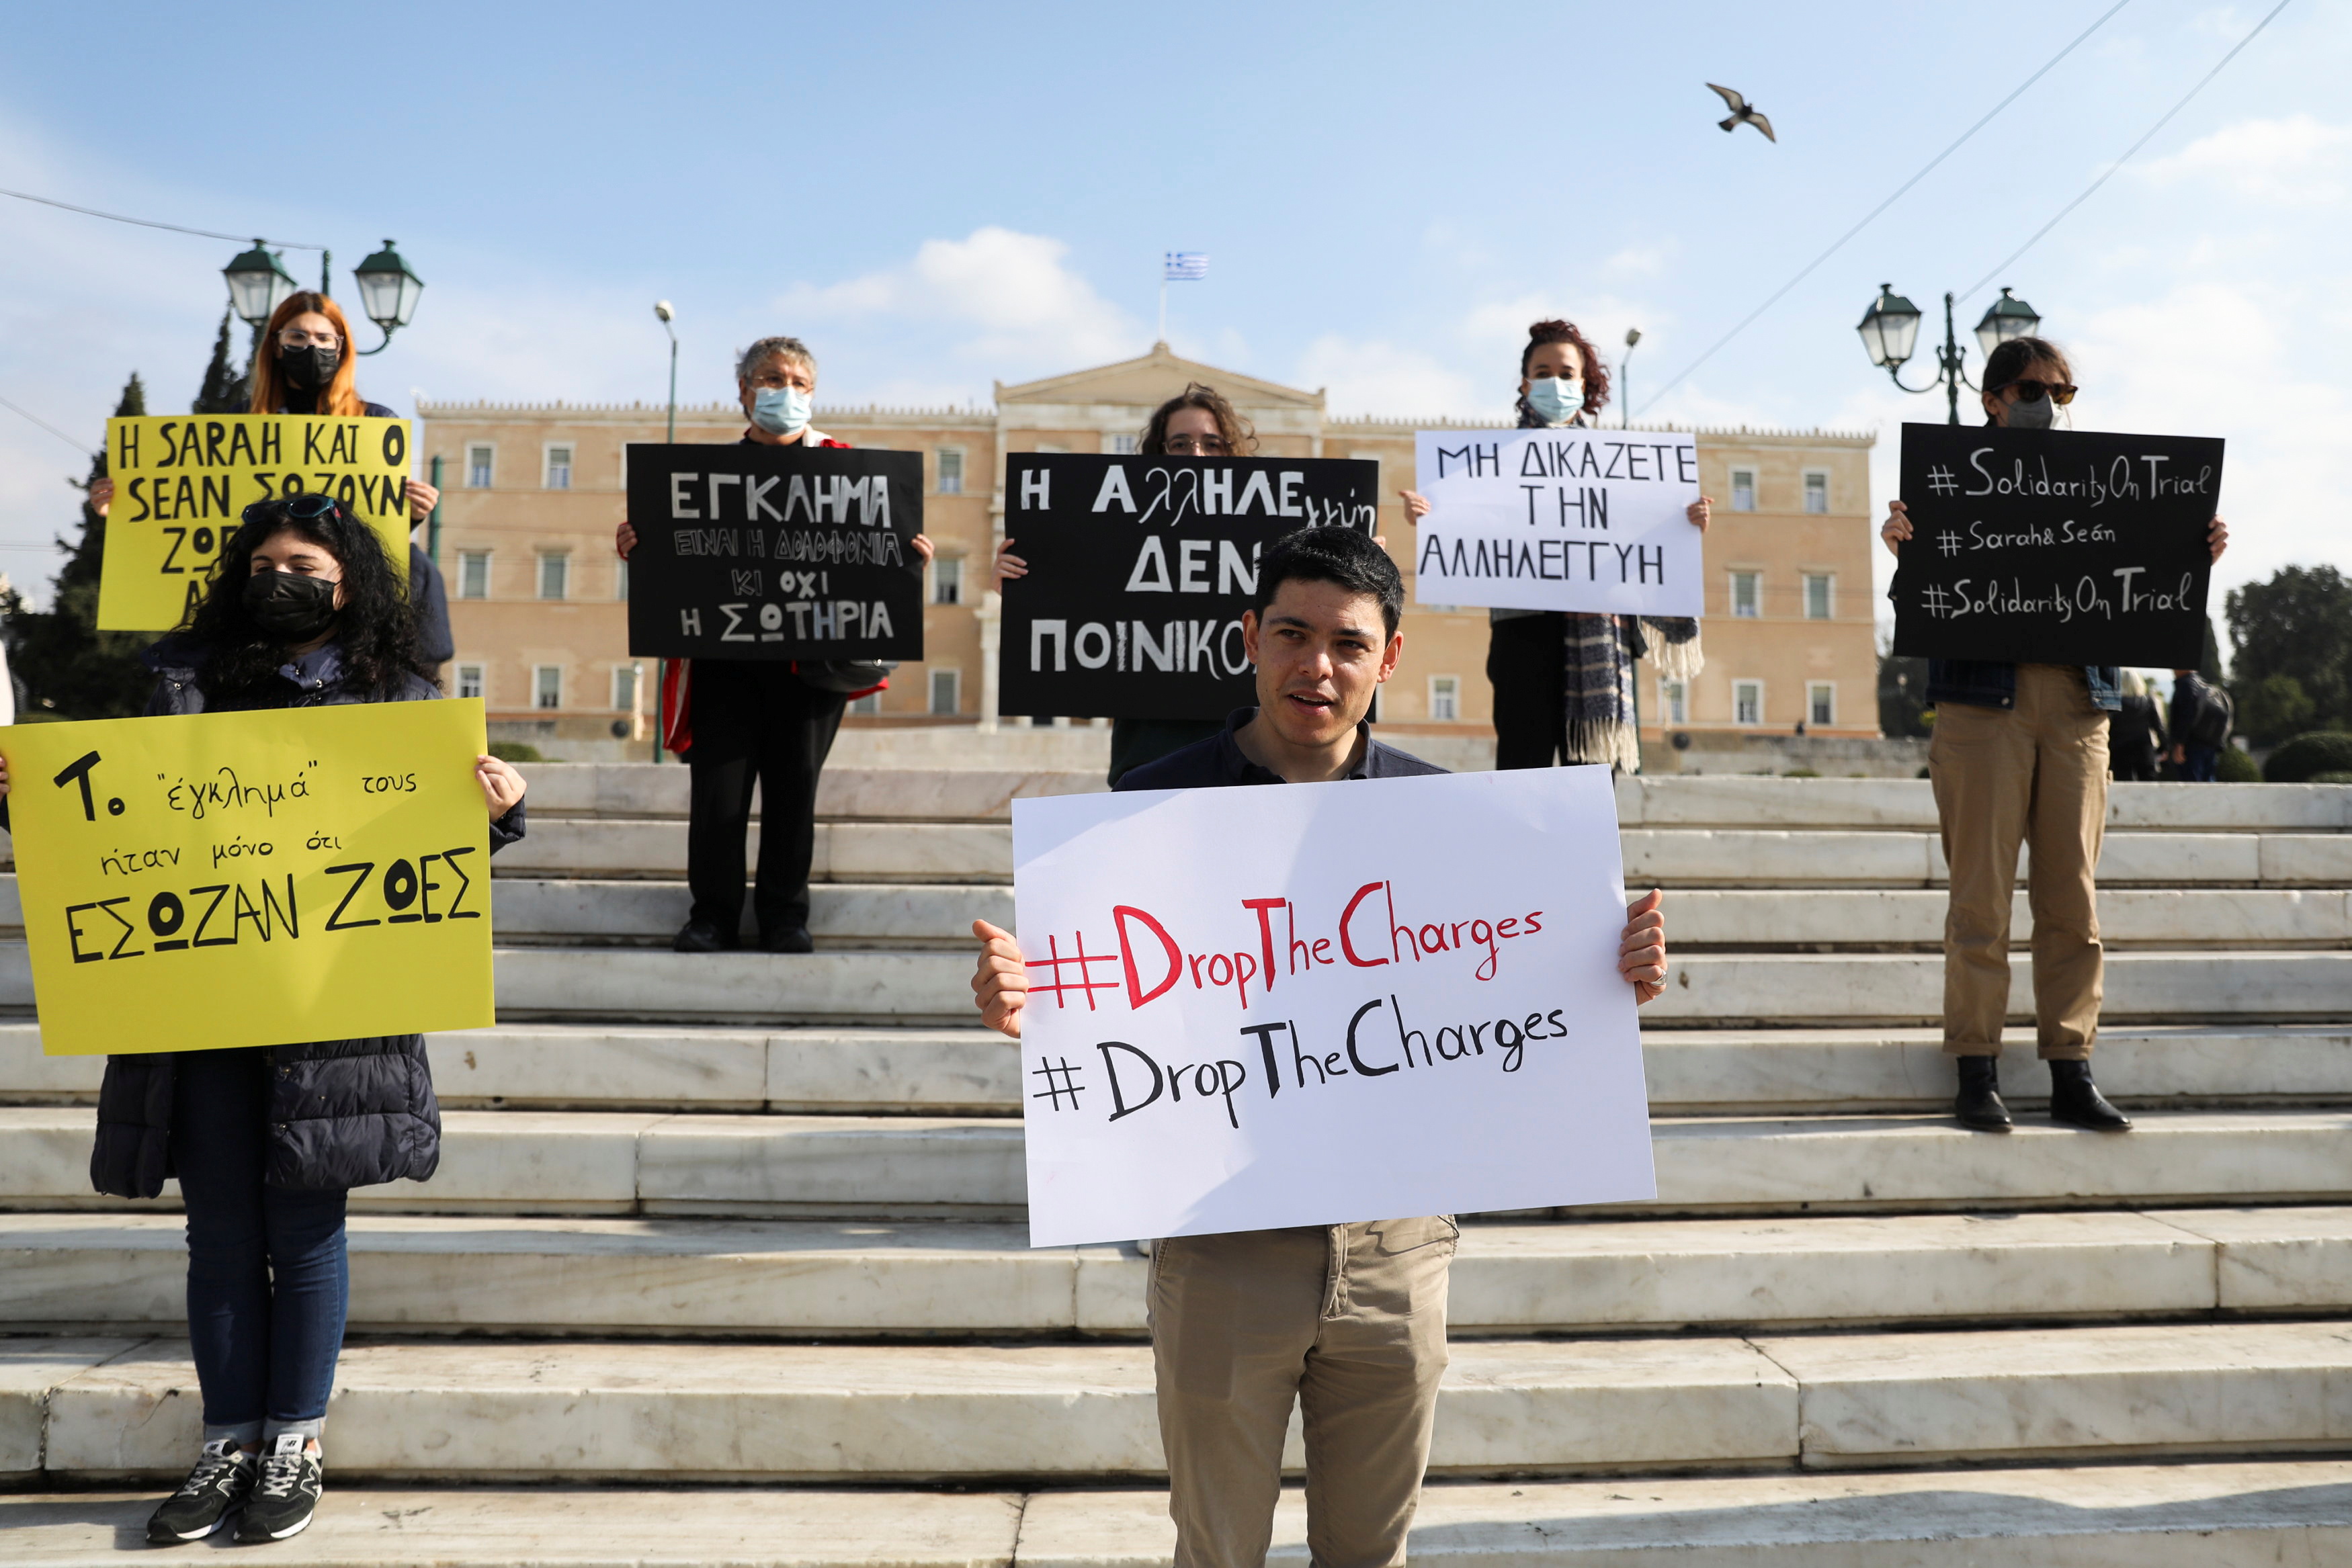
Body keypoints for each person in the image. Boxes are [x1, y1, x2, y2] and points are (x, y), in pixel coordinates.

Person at [968, 525, 1673, 1568]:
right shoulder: (1145, 812)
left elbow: (1515, 995)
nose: (1318, 666)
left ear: (1389, 658)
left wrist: (1613, 967)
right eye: (1292, 634)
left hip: (1395, 1253)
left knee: (1370, 1555)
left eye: (1348, 642)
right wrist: (1024, 997)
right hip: (1221, 1251)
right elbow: (1098, 1000)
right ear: (1248, 636)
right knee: (1217, 1553)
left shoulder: (1450, 819)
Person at [0, 492, 528, 1546]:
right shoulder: (183, 684)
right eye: (264, 562)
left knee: (306, 1226)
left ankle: (296, 1436)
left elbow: (432, 846)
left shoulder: (401, 698)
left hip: (332, 1005)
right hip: (198, 1003)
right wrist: (30, 795)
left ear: (351, 584)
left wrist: (501, 810)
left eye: (307, 564)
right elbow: (112, 822)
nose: (281, 578)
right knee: (220, 1232)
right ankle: (228, 1437)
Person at [1882, 335, 2228, 1133]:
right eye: (2033, 389)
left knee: (2073, 898)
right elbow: (1916, 607)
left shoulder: (2112, 483)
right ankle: (1976, 1068)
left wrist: (2194, 550)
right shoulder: (1941, 482)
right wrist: (1903, 547)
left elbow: (2152, 585)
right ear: (1991, 400)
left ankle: (2070, 1066)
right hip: (1979, 706)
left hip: (2079, 705)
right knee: (1979, 899)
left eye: (2062, 392)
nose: (2048, 402)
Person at [616, 335, 933, 952]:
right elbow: (679, 565)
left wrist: (910, 560)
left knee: (794, 791)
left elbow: (877, 558)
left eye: (798, 382)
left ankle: (786, 915)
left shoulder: (853, 473)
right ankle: (712, 915)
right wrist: (640, 547)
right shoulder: (698, 483)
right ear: (744, 391)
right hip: (725, 661)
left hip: (813, 665)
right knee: (719, 796)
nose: (784, 390)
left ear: (813, 394)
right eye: (771, 378)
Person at [1400, 318, 1711, 771]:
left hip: (1597, 636)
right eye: (1543, 373)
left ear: (1585, 385)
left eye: (1566, 374)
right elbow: (1469, 531)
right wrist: (1433, 516)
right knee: (1522, 771)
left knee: (1593, 782)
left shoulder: (1624, 466)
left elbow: (1647, 540)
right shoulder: (1484, 463)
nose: (1555, 383)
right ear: (1525, 384)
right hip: (1522, 633)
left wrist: (1683, 525)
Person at [87, 291, 454, 672]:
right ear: (277, 345)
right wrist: (127, 507)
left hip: (340, 597)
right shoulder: (237, 423)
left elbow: (378, 527)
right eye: (298, 336)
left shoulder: (378, 423)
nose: (311, 346)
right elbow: (203, 517)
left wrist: (408, 515)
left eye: (324, 338)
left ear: (342, 348)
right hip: (267, 596)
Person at [995, 383, 1255, 785]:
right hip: (1148, 756)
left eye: (1212, 443)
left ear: (1230, 451)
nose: (1196, 455)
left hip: (1245, 755)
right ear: (1159, 453)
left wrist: (1359, 568)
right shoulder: (1116, 533)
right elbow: (1078, 602)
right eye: (1180, 444)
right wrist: (1020, 589)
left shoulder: (1266, 532)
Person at [2169, 666, 2235, 781]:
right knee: (2208, 783)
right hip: (2210, 743)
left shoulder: (2186, 685)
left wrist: (2180, 743)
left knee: (2192, 785)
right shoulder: (2201, 684)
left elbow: (2186, 716)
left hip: (2192, 745)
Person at [2108, 673, 2167, 781]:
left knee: (2123, 785)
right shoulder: (2148, 701)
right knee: (2148, 786)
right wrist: (2163, 747)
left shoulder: (2114, 704)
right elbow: (2159, 726)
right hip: (2144, 749)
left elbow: (2109, 728)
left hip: (2120, 750)